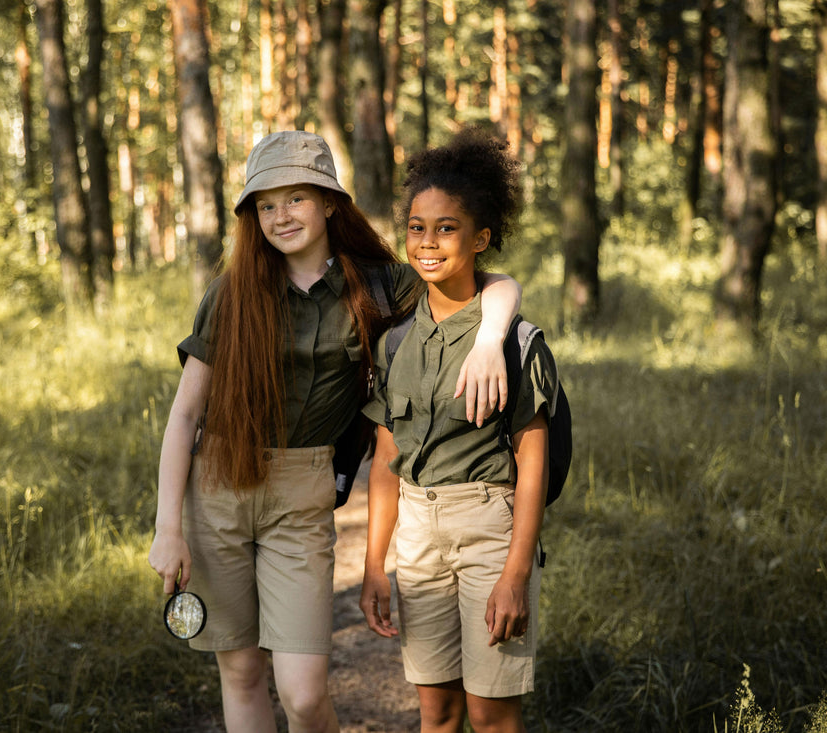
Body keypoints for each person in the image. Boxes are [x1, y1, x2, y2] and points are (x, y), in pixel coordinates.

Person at [147, 130, 523, 733]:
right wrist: (169, 530)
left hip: (302, 494)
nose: (280, 215)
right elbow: (184, 417)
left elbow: (494, 284)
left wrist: (488, 338)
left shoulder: (377, 283)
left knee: (301, 693)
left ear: (328, 202)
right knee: (242, 673)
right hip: (216, 487)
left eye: (295, 198)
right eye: (265, 205)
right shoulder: (231, 293)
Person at [360, 129, 556, 733]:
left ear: (481, 238)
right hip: (418, 538)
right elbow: (386, 461)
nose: (427, 242)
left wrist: (516, 573)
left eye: (446, 228)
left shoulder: (515, 342)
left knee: (491, 714)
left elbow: (532, 464)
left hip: (488, 532)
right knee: (437, 712)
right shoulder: (395, 340)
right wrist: (374, 565)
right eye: (416, 226)